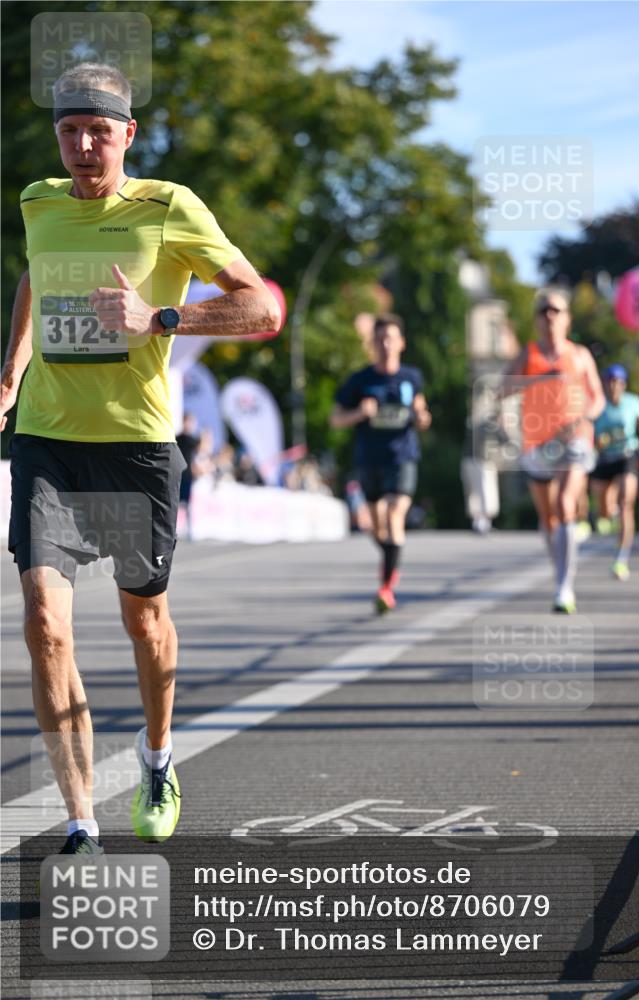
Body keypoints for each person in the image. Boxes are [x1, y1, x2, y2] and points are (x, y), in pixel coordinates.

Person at [0, 63, 281, 856]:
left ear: (128, 135)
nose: (84, 146)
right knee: (45, 627)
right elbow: (33, 275)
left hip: (136, 446)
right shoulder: (37, 200)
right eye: (69, 131)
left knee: (143, 618)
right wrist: (11, 373)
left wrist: (157, 316)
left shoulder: (170, 207)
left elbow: (261, 308)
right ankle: (82, 818)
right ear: (55, 136)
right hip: (49, 441)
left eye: (100, 132)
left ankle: (157, 759)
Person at [498, 288, 605, 613]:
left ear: (567, 318)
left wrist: (584, 416)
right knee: (547, 518)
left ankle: (564, 586)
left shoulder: (580, 355)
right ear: (536, 319)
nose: (550, 316)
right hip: (537, 443)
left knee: (564, 503)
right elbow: (502, 389)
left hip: (575, 438)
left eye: (556, 310)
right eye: (544, 310)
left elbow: (597, 397)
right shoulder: (526, 355)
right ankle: (560, 570)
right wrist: (540, 377)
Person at [330, 314, 431, 613]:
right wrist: (359, 413)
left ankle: (386, 589)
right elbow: (335, 420)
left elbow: (423, 415)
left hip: (402, 457)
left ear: (402, 343)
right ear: (373, 343)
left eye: (392, 338)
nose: (386, 344)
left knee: (394, 516)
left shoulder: (411, 378)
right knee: (377, 527)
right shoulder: (360, 381)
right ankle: (390, 561)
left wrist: (422, 417)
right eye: (381, 339)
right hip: (369, 459)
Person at [590, 364, 639, 579]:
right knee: (603, 509)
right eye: (609, 381)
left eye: (617, 382)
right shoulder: (597, 404)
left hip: (627, 456)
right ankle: (608, 515)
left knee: (625, 502)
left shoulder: (633, 402)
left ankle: (621, 559)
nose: (613, 386)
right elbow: (586, 428)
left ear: (623, 384)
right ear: (603, 383)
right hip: (603, 459)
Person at [176, 412, 201, 540]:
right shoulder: (178, 438)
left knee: (188, 504)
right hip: (178, 474)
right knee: (176, 503)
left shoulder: (192, 439)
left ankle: (190, 529)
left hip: (188, 475)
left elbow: (201, 450)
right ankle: (173, 529)